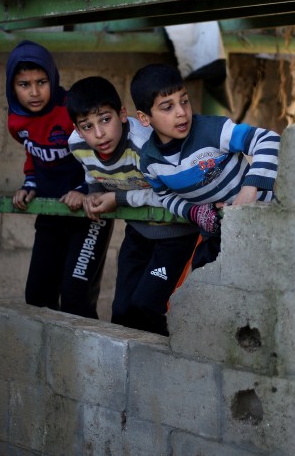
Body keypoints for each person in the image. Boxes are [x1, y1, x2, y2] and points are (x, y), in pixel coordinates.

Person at [66, 76, 200, 335]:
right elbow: (94, 175)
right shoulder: (77, 144)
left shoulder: (146, 145)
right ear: (77, 129)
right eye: (87, 126)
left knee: (146, 306)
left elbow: (171, 194)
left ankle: (171, 360)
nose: (99, 133)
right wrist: (92, 194)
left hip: (175, 236)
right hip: (138, 233)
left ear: (123, 114)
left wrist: (117, 199)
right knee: (122, 311)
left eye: (105, 119)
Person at [130, 64, 281, 270]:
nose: (182, 112)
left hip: (267, 222)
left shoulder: (213, 130)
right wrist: (195, 212)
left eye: (184, 101)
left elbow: (268, 139)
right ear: (144, 118)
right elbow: (165, 197)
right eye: (168, 107)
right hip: (219, 236)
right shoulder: (150, 163)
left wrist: (249, 189)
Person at [6, 40, 112, 318]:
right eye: (24, 84)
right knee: (37, 296)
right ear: (11, 87)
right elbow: (34, 156)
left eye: (41, 81)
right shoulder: (16, 121)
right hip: (52, 211)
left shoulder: (71, 110)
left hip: (90, 212)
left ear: (53, 77)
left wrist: (84, 188)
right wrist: (30, 184)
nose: (34, 92)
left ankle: (86, 361)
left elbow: (104, 152)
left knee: (76, 298)